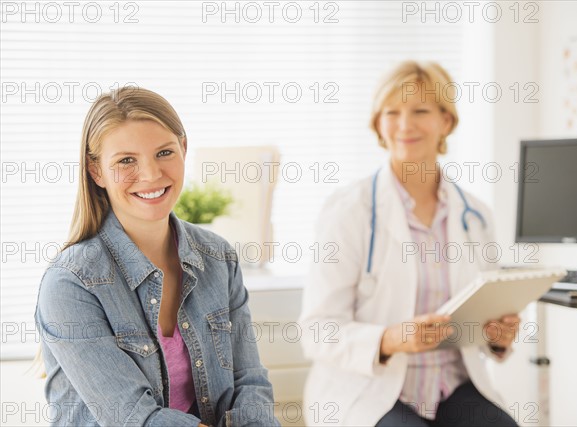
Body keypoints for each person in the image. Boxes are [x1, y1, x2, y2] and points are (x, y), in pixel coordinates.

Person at [34, 87, 279, 427]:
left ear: (184, 147)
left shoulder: (219, 257)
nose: (150, 174)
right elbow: (135, 419)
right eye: (126, 160)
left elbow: (250, 383)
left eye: (164, 152)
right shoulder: (72, 283)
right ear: (96, 171)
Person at [299, 61, 520, 427]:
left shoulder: (475, 214)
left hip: (452, 385)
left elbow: (483, 309)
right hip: (371, 389)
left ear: (446, 121)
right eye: (392, 112)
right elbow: (317, 330)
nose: (405, 124)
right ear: (378, 124)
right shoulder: (349, 211)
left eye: (420, 110)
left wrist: (498, 336)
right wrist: (388, 339)